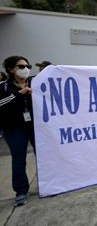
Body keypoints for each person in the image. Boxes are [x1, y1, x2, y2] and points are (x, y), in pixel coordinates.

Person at [0, 56, 36, 207]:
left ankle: (48, 184)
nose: (25, 69)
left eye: (27, 65)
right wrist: (19, 94)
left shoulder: (35, 83)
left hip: (34, 127)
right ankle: (21, 191)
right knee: (19, 159)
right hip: (14, 129)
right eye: (21, 66)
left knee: (43, 156)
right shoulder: (4, 87)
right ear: (10, 69)